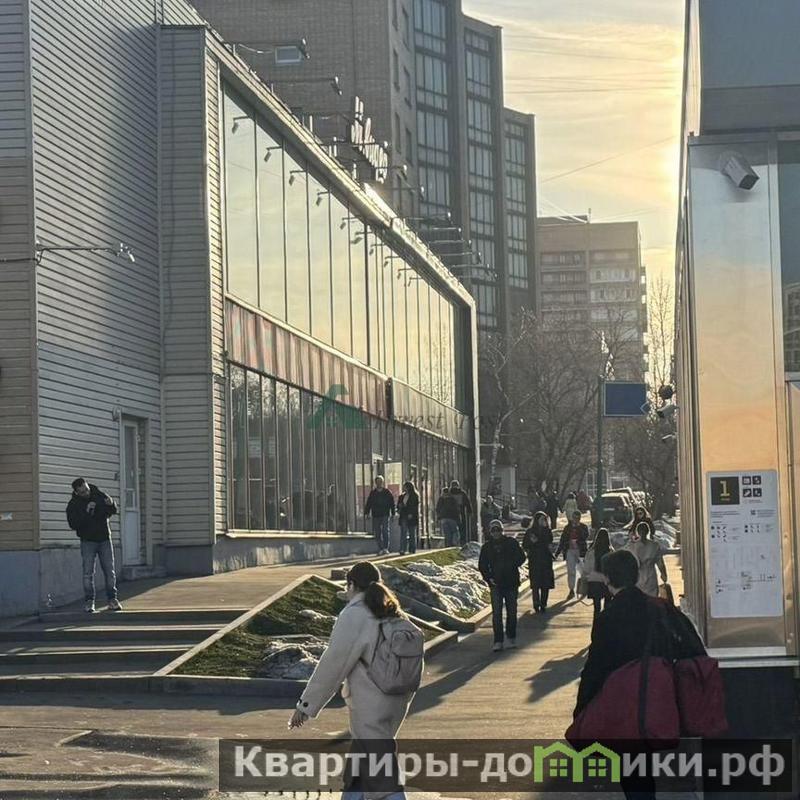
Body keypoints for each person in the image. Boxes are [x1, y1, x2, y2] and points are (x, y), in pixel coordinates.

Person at [289, 562, 416, 799]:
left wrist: (306, 706)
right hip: (398, 697)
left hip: (371, 700)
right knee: (363, 758)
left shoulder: (355, 614)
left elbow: (333, 664)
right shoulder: (392, 611)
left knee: (380, 768)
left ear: (352, 585)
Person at [66, 478, 122, 613]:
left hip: (104, 538)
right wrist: (87, 512)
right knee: (88, 573)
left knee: (109, 571)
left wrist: (112, 504)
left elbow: (111, 511)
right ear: (76, 492)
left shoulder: (98, 494)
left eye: (86, 489)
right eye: (82, 492)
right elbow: (73, 524)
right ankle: (89, 601)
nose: (86, 493)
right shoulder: (73, 505)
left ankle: (112, 600)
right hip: (87, 541)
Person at [478, 519, 526, 651]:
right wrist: (489, 578)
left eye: (498, 529)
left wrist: (511, 565)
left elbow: (521, 557)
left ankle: (511, 637)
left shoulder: (511, 543)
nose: (496, 532)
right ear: (490, 532)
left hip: (511, 582)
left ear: (502, 530)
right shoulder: (487, 547)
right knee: (497, 613)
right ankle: (498, 640)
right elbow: (482, 565)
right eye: (493, 530)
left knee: (512, 611)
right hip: (496, 584)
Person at [522, 512, 555, 613]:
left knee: (545, 583)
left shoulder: (548, 531)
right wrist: (530, 547)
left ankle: (543, 603)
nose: (544, 521)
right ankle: (536, 603)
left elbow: (549, 543)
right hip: (535, 560)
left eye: (545, 519)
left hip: (546, 560)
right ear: (536, 520)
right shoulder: (530, 532)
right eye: (541, 519)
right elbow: (525, 544)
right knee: (535, 584)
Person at [625, 520, 668, 597]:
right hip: (650, 576)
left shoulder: (631, 546)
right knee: (652, 599)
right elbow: (660, 563)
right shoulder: (654, 546)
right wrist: (663, 574)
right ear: (648, 531)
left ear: (637, 532)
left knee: (639, 599)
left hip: (637, 578)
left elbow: (627, 564)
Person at [555, 510, 589, 600]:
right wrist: (557, 553)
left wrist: (578, 529)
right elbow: (562, 540)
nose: (576, 520)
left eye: (578, 518)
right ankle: (571, 590)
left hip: (581, 551)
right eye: (574, 518)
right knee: (571, 571)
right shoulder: (567, 528)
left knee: (582, 570)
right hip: (570, 551)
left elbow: (585, 536)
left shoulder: (583, 527)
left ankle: (584, 588)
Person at [583, 528, 612, 619]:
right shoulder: (611, 552)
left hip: (594, 580)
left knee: (596, 608)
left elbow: (587, 568)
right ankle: (606, 624)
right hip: (607, 581)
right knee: (607, 607)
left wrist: (586, 576)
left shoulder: (591, 552)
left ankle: (596, 624)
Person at [364, 476, 396, 555]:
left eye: (380, 482)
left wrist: (393, 513)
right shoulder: (373, 493)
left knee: (385, 530)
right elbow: (369, 503)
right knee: (377, 532)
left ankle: (385, 548)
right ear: (375, 483)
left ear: (382, 482)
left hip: (385, 514)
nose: (379, 483)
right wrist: (367, 513)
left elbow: (392, 503)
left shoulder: (387, 492)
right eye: (377, 482)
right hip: (376, 514)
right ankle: (380, 548)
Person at [396, 481, 419, 555]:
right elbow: (398, 505)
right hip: (403, 515)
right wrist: (399, 507)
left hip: (411, 516)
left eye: (405, 487)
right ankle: (402, 549)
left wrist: (411, 513)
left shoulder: (414, 496)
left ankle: (412, 549)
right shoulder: (402, 496)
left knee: (412, 533)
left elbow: (415, 507)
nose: (404, 488)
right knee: (403, 533)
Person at [449, 480, 473, 545]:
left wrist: (469, 510)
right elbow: (467, 502)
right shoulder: (462, 493)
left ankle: (457, 541)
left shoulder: (449, 493)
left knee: (457, 528)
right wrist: (469, 511)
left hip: (454, 513)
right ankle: (462, 541)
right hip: (459, 512)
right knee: (461, 527)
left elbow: (467, 502)